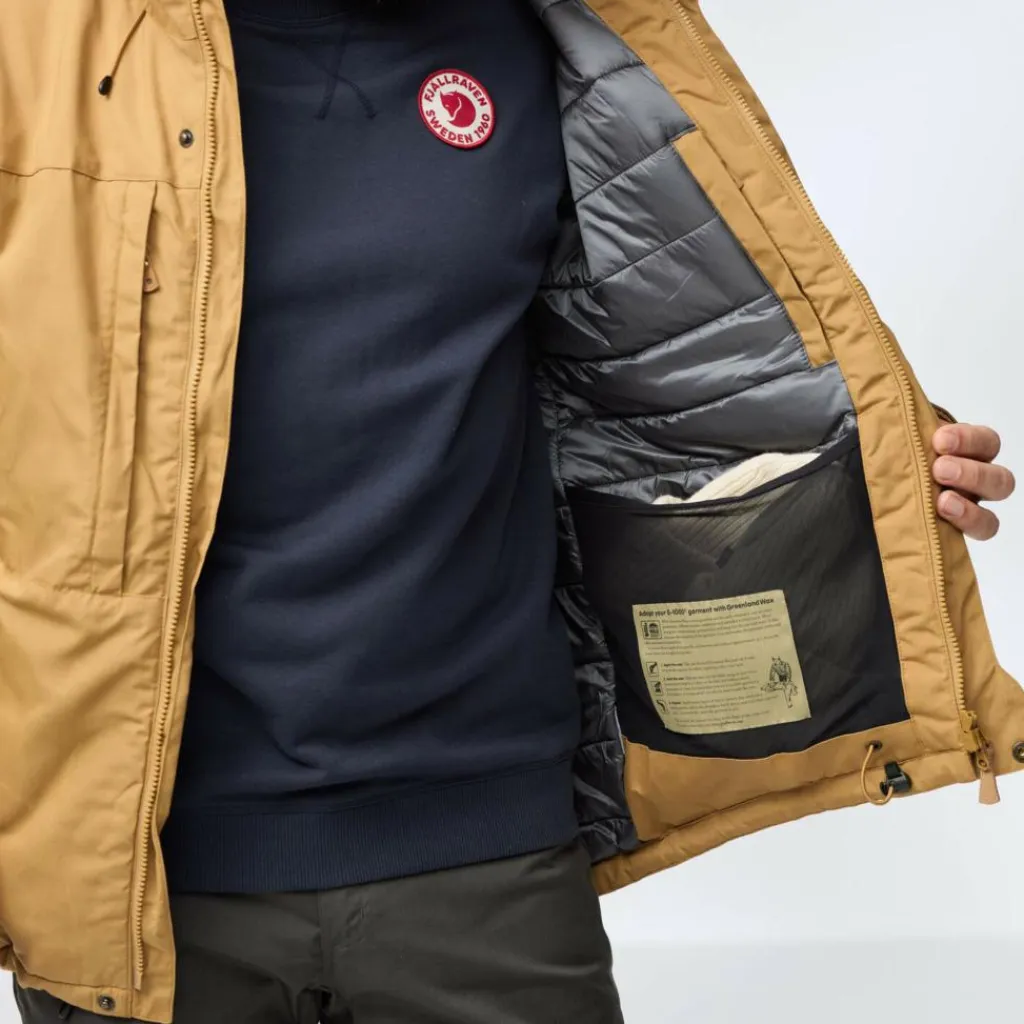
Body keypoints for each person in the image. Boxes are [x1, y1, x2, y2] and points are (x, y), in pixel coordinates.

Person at [0, 2, 1017, 1022]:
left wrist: (879, 466)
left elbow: (656, 360)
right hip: (132, 874)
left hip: (489, 852)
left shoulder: (550, 37)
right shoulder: (38, 50)